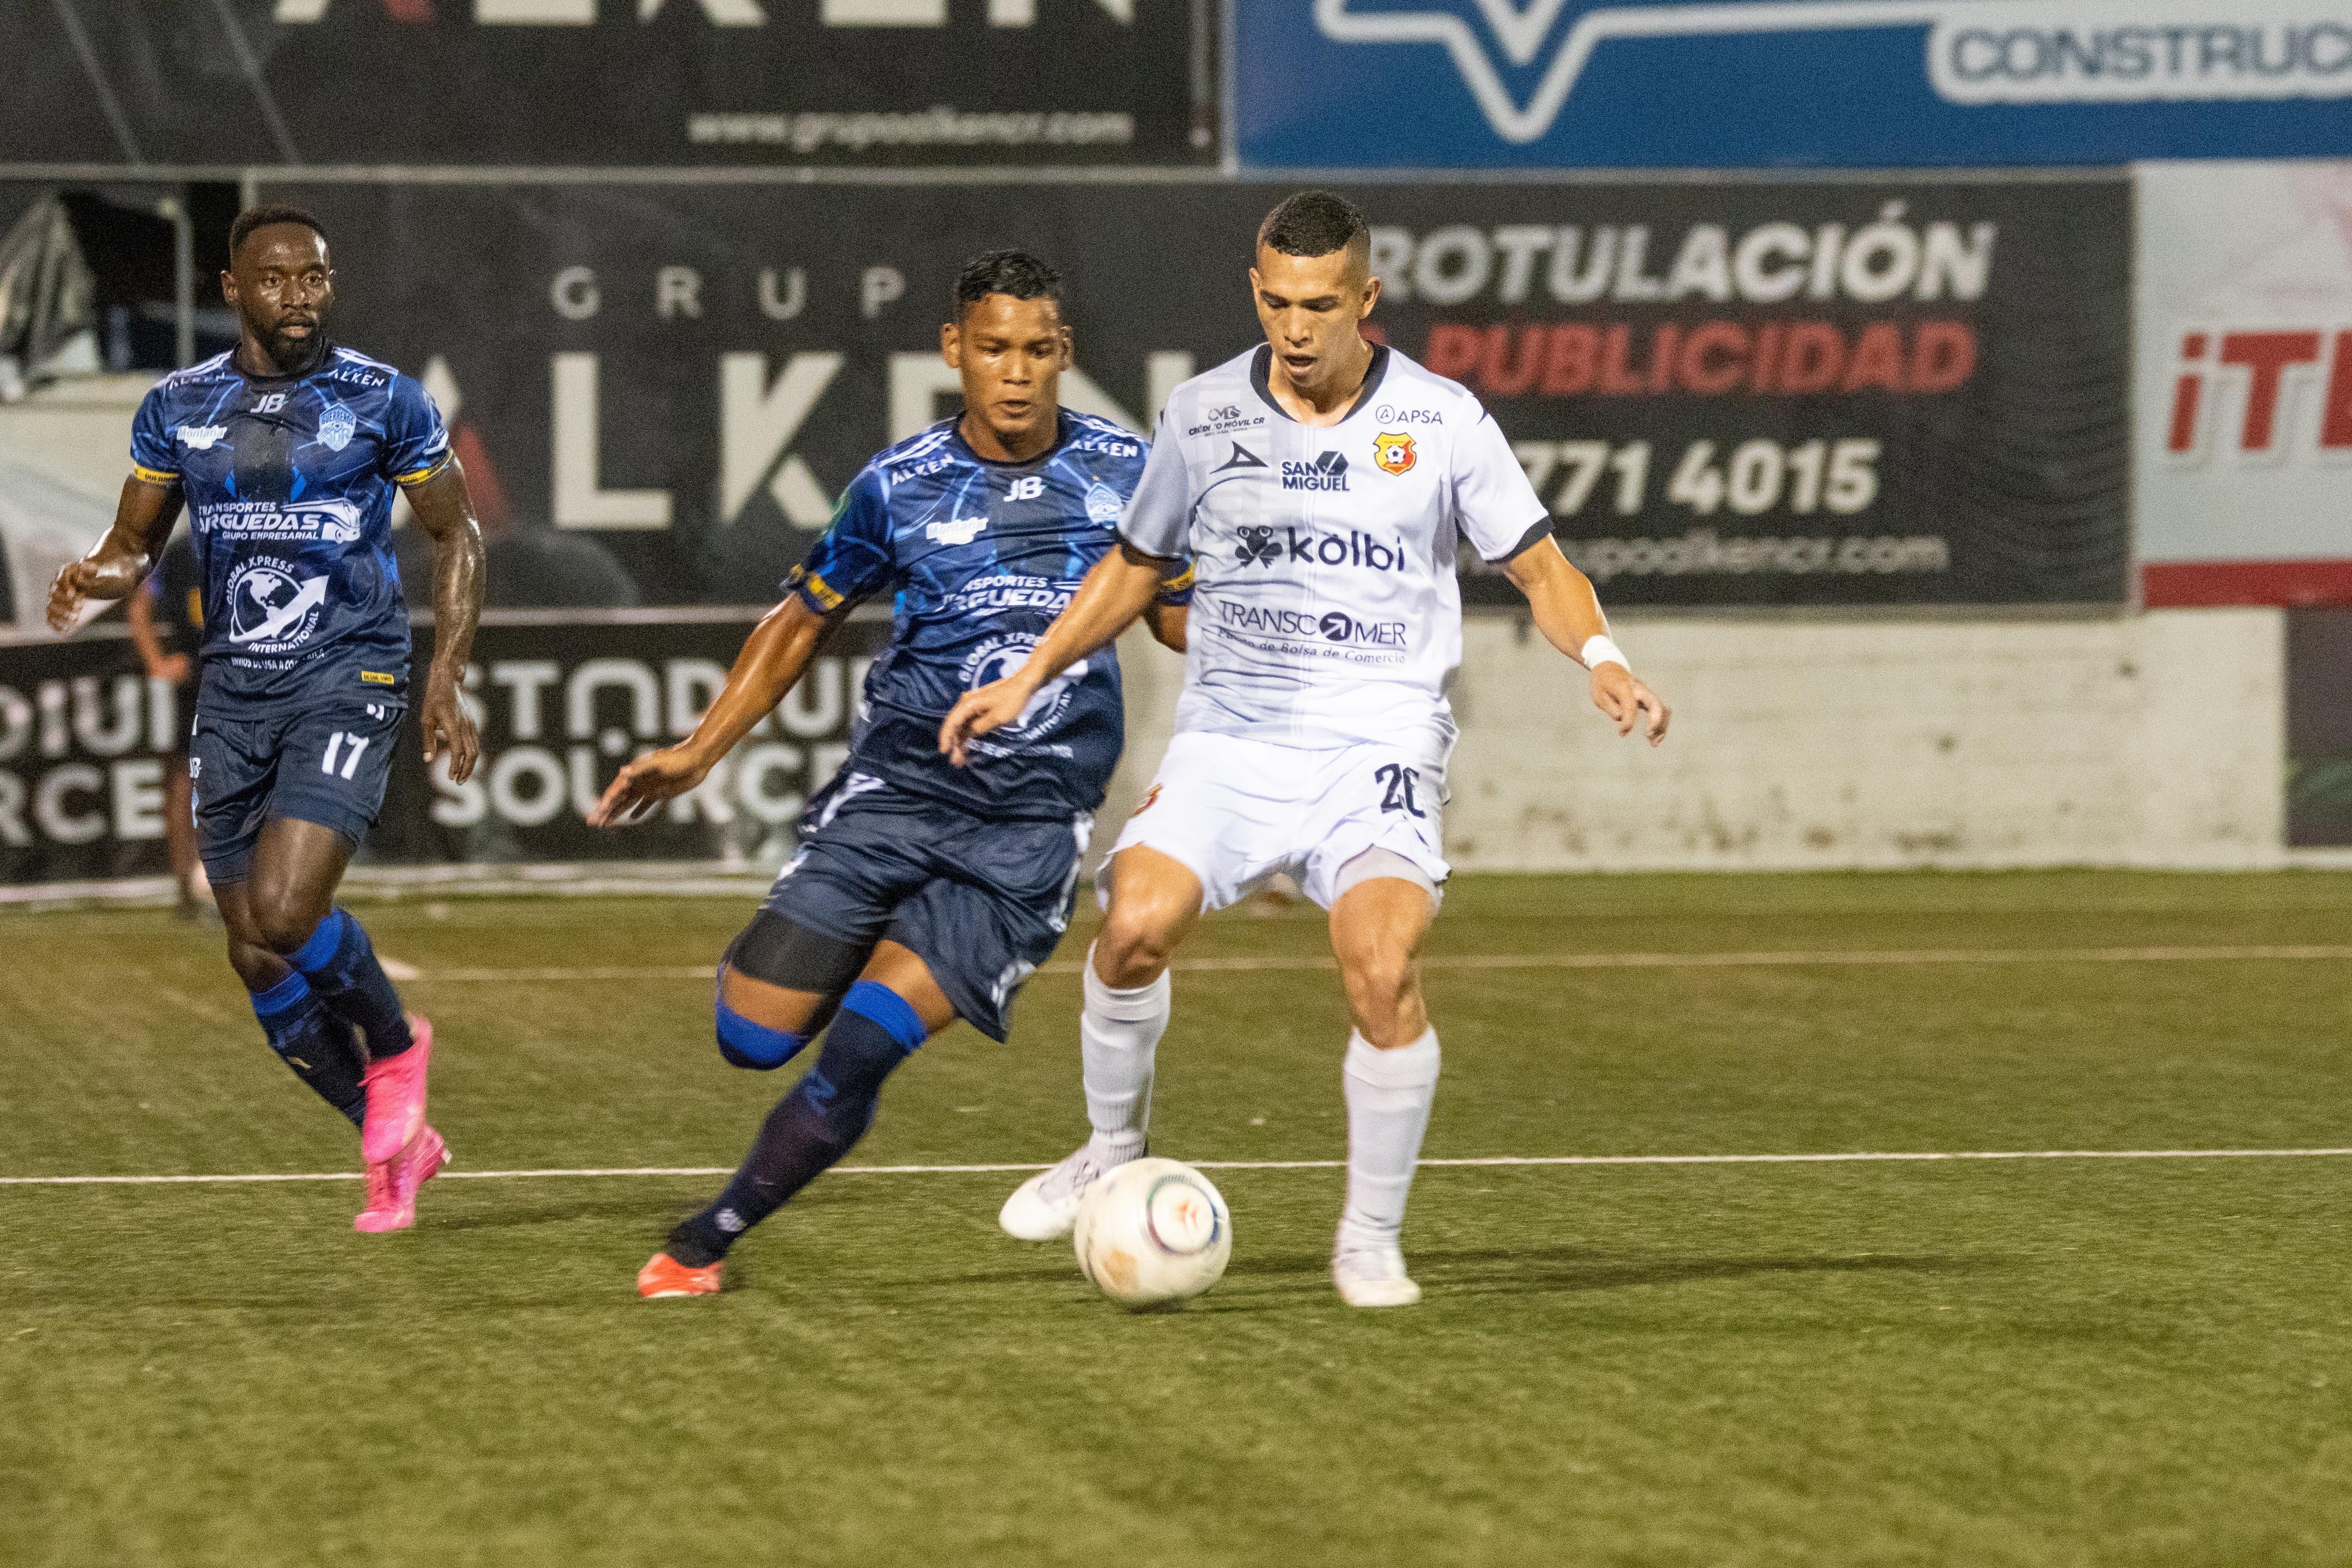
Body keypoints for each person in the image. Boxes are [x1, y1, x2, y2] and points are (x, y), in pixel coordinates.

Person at [941, 190, 1672, 1308]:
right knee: (1132, 927)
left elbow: (1537, 565)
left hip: (1374, 742)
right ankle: (1107, 1150)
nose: (1295, 328)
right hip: (1233, 736)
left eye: (1320, 305)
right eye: (1277, 302)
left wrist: (1604, 657)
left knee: (1381, 967)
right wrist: (1028, 675)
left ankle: (1369, 1237)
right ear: (1254, 292)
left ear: (1365, 300)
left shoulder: (1441, 421)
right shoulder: (1198, 415)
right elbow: (1135, 568)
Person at [591, 251, 1191, 1300]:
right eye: (994, 348)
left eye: (1038, 350)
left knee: (860, 1053)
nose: (1016, 372)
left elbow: (1186, 620)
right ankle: (856, 925)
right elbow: (800, 620)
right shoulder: (896, 486)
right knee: (749, 1037)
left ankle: (705, 1240)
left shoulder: (1129, 471)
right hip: (895, 798)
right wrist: (698, 749)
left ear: (1066, 354)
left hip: (1023, 834)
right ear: (953, 349)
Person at [47, 204, 486, 1233]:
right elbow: (134, 542)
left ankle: (395, 1044)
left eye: (317, 277)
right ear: (232, 289)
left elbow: (456, 531)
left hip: (348, 672)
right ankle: (394, 1145)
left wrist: (447, 674)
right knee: (253, 950)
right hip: (235, 688)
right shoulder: (180, 405)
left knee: (289, 913)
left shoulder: (384, 399)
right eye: (278, 279)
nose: (302, 296)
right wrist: (94, 573)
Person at [124, 524, 207, 917]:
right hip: (196, 681)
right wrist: (158, 663)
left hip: (249, 677)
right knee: (181, 780)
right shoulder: (180, 552)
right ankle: (184, 887)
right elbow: (139, 605)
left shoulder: (260, 541)